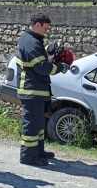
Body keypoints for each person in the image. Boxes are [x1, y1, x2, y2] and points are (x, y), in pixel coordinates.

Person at [16, 13, 70, 166]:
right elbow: (41, 67)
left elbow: (37, 56)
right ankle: (28, 156)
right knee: (32, 125)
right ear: (37, 24)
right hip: (32, 90)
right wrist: (61, 67)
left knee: (38, 124)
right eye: (46, 28)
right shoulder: (31, 42)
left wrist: (49, 50)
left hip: (36, 90)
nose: (47, 31)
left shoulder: (32, 41)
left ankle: (38, 152)